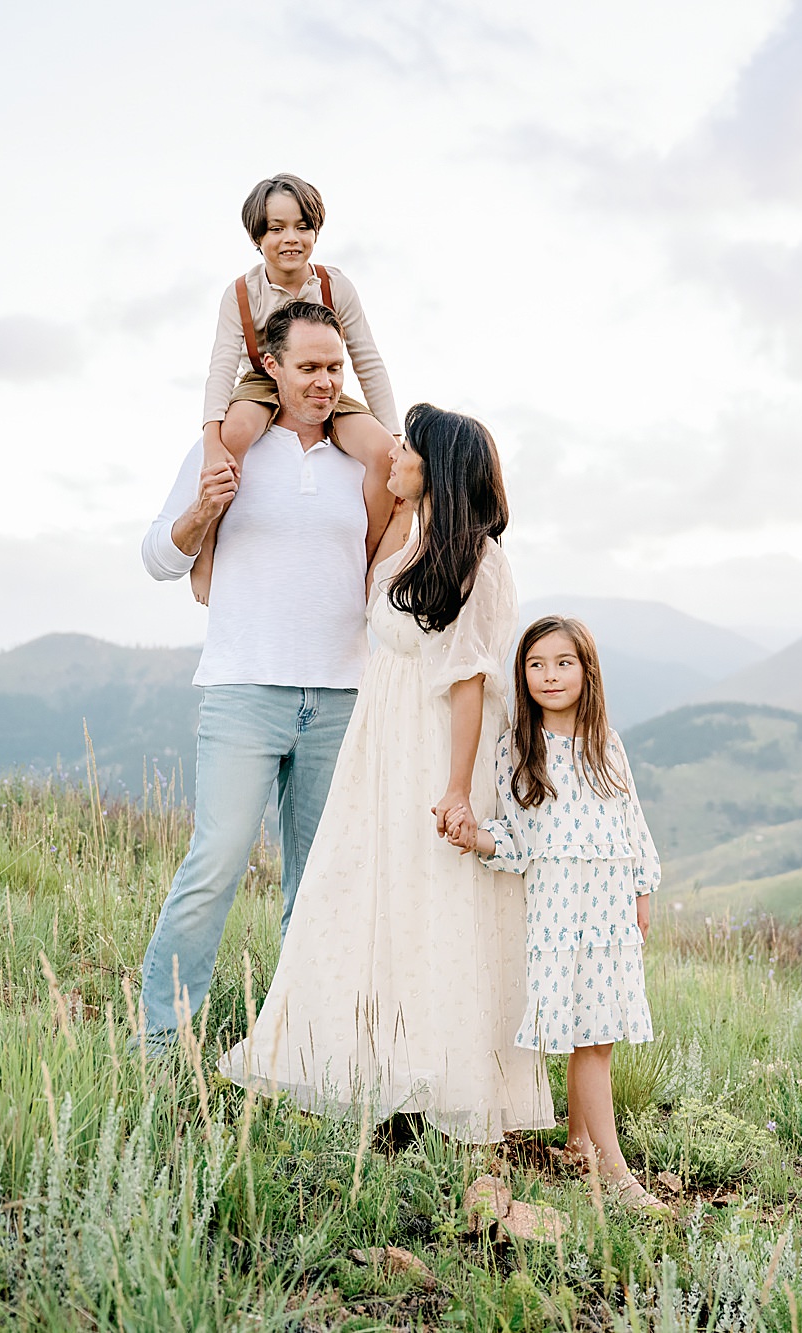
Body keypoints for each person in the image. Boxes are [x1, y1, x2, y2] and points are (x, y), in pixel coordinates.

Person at [221, 404, 555, 1144]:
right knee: (379, 896)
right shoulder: (419, 542)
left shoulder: (481, 561)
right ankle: (378, 1065)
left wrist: (458, 787)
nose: (393, 452)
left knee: (437, 902)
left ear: (437, 466)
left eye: (407, 445)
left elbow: (470, 680)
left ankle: (440, 1082)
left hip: (437, 748)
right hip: (384, 746)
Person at [135, 300, 376, 1050]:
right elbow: (157, 557)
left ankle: (299, 1042)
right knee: (216, 861)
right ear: (270, 368)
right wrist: (198, 516)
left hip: (341, 695)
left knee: (320, 882)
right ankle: (162, 1040)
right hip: (245, 687)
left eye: (334, 368)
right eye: (308, 367)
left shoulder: (360, 459)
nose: (325, 382)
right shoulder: (227, 449)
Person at [444, 615, 670, 1214]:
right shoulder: (515, 749)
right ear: (522, 676)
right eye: (536, 664)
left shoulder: (607, 745)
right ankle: (618, 1177)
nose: (549, 675)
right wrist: (476, 839)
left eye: (563, 663)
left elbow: (632, 824)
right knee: (587, 1035)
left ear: (586, 671)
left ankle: (578, 1144)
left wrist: (642, 890)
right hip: (558, 910)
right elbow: (516, 840)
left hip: (610, 904)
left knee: (595, 1032)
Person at [188, 173, 399, 604]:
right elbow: (222, 366)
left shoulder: (334, 285)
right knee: (237, 431)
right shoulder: (241, 295)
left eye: (303, 227)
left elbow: (367, 358)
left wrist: (395, 433)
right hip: (263, 381)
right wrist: (212, 438)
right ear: (256, 237)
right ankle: (207, 545)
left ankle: (365, 559)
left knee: (381, 452)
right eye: (277, 228)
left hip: (324, 383)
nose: (291, 238)